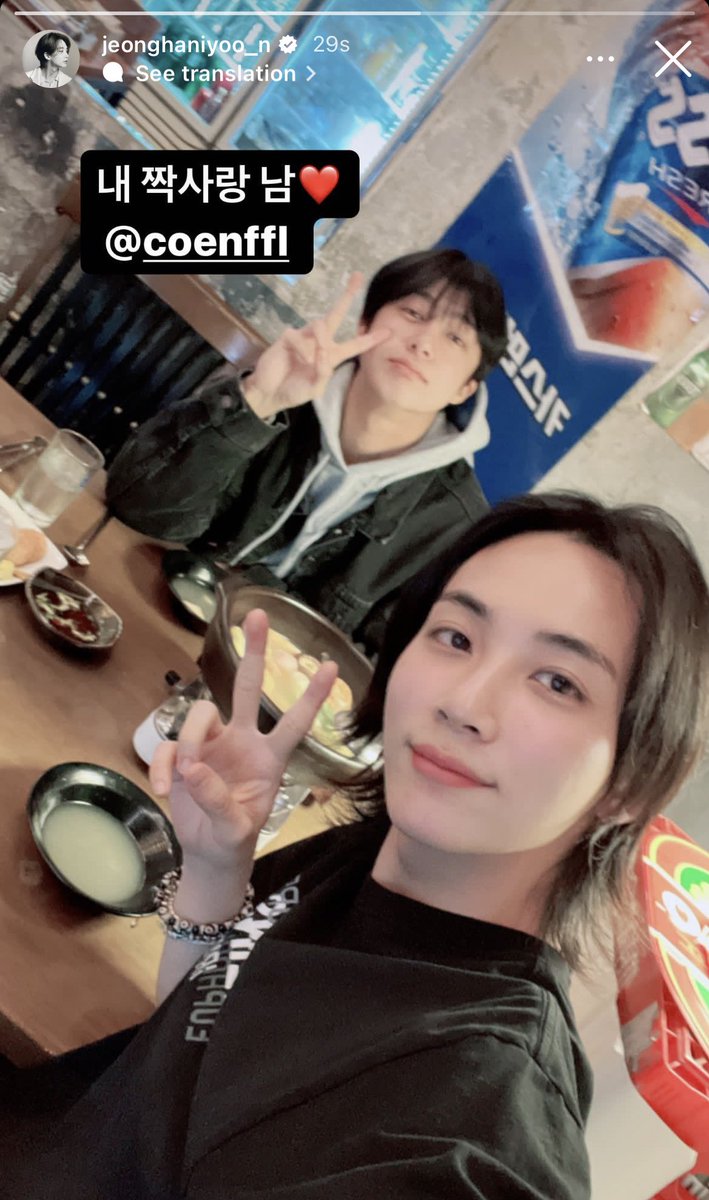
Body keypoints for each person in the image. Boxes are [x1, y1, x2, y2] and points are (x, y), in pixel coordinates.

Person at [3, 492, 709, 1199]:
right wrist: (218, 864)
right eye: (456, 637)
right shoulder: (374, 856)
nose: (463, 703)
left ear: (629, 785)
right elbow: (198, 1033)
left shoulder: (476, 1123)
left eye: (557, 682)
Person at [105, 249, 508, 655]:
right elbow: (138, 507)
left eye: (455, 337)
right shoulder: (285, 390)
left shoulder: (455, 527)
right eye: (414, 313)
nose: (423, 343)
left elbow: (384, 669)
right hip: (145, 606)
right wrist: (256, 402)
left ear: (466, 389)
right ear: (365, 323)